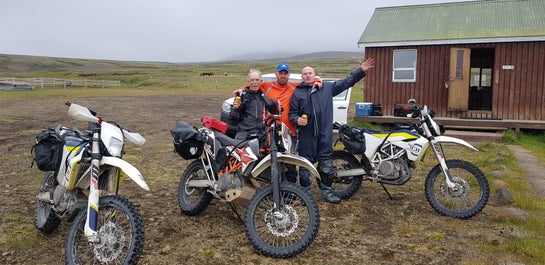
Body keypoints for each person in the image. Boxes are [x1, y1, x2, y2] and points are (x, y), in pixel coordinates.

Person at [289, 58, 375, 203]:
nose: (307, 75)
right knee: (305, 168)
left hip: (324, 135)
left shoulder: (327, 88)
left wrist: (360, 71)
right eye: (305, 74)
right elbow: (292, 113)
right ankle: (305, 195)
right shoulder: (297, 93)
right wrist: (296, 119)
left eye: (310, 73)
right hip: (307, 136)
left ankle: (327, 192)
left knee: (327, 166)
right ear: (302, 77)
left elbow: (346, 82)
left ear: (314, 75)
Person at [234, 63, 320, 188]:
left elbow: (309, 82)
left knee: (290, 163)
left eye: (285, 73)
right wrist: (241, 89)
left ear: (289, 74)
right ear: (276, 74)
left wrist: (317, 80)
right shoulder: (267, 86)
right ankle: (273, 188)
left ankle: (292, 190)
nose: (283, 75)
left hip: (289, 132)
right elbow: (252, 85)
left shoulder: (294, 86)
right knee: (272, 161)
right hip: (271, 132)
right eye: (281, 73)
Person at [230, 69, 279, 141]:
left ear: (261, 82)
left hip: (260, 134)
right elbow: (234, 118)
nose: (255, 83)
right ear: (248, 82)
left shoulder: (263, 96)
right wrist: (235, 109)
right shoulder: (241, 95)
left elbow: (274, 110)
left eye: (257, 80)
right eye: (252, 80)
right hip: (244, 134)